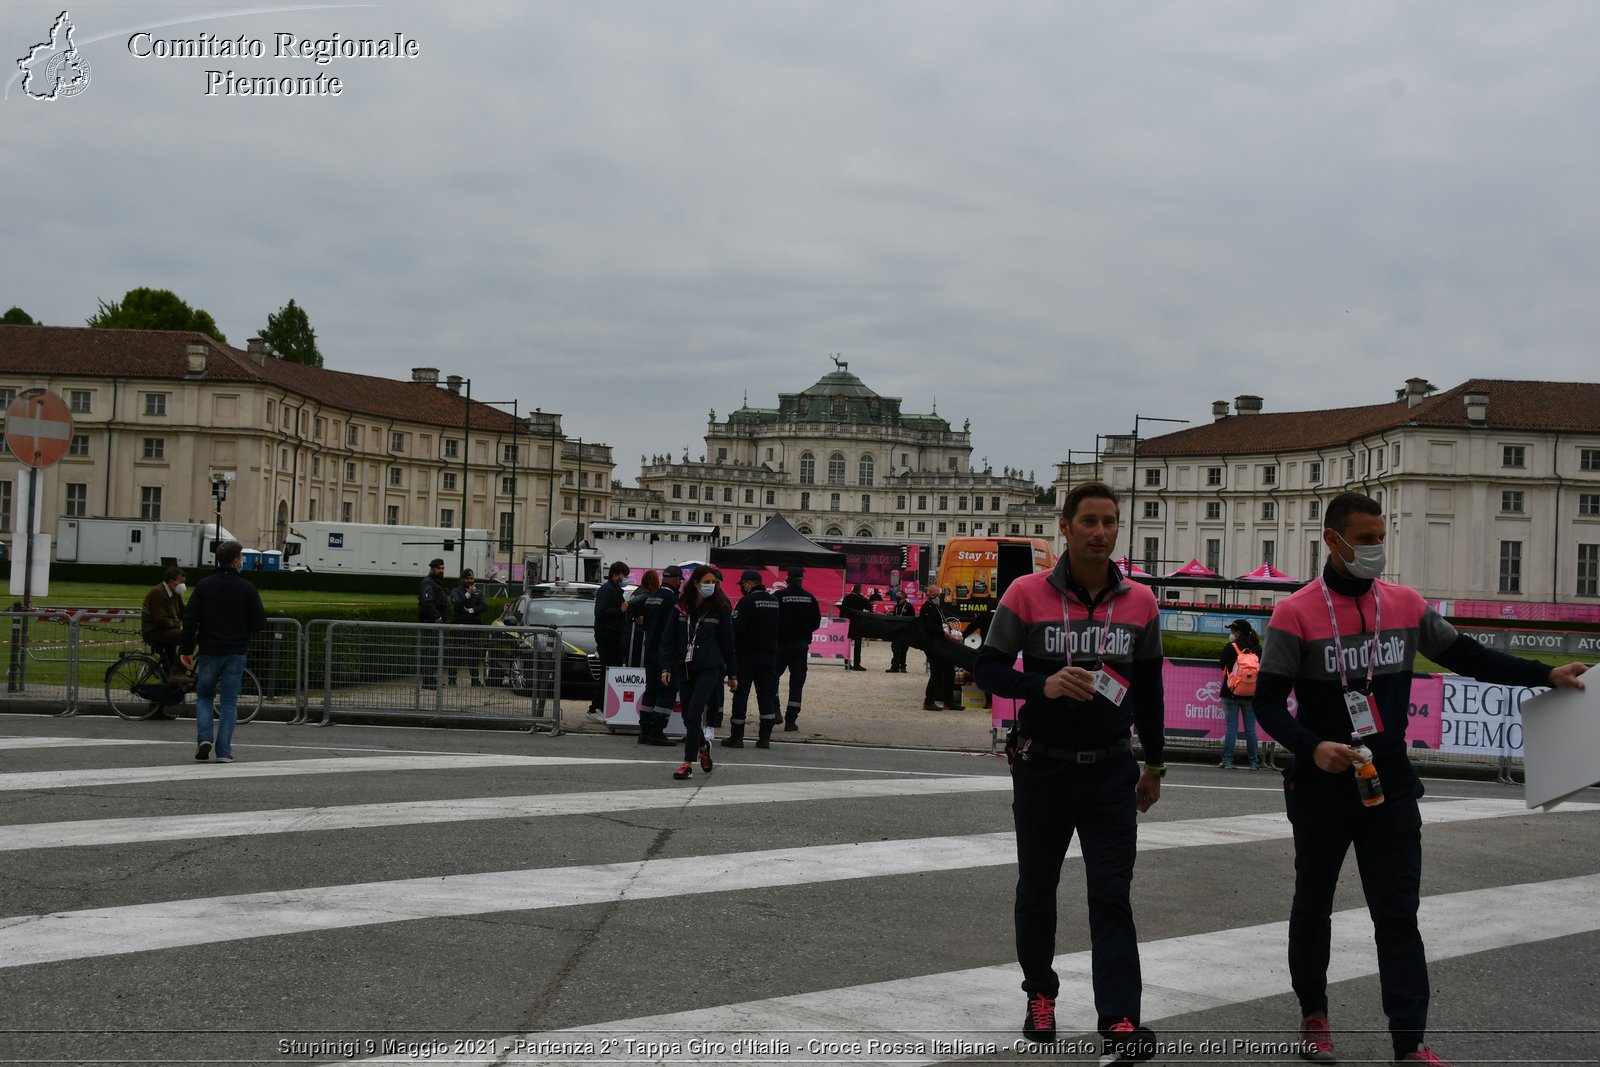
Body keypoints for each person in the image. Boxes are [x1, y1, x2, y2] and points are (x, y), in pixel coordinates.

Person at [1253, 491, 1589, 1067]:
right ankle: (1315, 1014)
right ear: (1332, 541)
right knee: (1313, 905)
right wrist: (1313, 749)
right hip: (1321, 788)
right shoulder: (1295, 612)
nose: (1375, 549)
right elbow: (1268, 706)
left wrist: (1544, 675)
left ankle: (1409, 1042)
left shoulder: (1406, 604)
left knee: (1398, 915)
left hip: (1390, 787)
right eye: (1364, 540)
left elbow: (1472, 657)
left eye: (1381, 537)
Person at [974, 482, 1165, 1066]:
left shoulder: (1141, 602)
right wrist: (1042, 684)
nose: (1101, 532)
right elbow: (987, 668)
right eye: (1089, 521)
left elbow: (1152, 689)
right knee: (1038, 891)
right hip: (1042, 768)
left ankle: (1120, 1017)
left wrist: (1154, 763)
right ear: (1065, 526)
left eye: (1110, 521)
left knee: (1112, 894)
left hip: (1111, 770)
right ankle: (1040, 995)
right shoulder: (1026, 593)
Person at [178, 541, 267, 764]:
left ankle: (204, 737)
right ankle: (224, 751)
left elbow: (190, 619)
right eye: (242, 559)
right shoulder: (247, 588)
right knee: (229, 701)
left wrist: (186, 649)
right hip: (236, 650)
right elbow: (258, 622)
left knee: (205, 696)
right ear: (235, 561)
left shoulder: (204, 585)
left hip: (209, 649)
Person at [657, 564, 736, 780]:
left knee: (694, 712)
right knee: (686, 715)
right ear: (695, 582)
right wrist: (665, 666)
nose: (711, 586)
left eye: (714, 583)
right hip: (685, 666)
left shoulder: (720, 607)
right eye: (707, 582)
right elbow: (667, 639)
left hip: (710, 666)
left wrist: (733, 674)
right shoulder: (680, 607)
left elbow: (728, 643)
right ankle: (702, 746)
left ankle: (686, 763)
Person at [726, 568, 781, 749]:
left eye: (742, 584)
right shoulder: (774, 601)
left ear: (749, 583)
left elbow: (736, 629)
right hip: (769, 656)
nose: (742, 587)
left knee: (740, 696)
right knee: (766, 696)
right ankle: (765, 738)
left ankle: (737, 737)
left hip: (746, 657)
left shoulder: (746, 602)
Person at [636, 564, 683, 746]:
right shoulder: (673, 600)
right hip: (666, 652)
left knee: (651, 689)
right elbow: (673, 629)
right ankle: (656, 731)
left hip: (650, 649)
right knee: (667, 691)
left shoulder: (652, 597)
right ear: (677, 580)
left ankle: (645, 731)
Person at [775, 565, 821, 731]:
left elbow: (772, 620)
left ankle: (775, 709)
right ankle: (791, 720)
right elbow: (816, 622)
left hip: (781, 645)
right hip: (800, 646)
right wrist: (803, 631)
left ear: (787, 579)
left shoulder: (778, 596)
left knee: (772, 678)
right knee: (797, 683)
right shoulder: (809, 598)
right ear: (802, 580)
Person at [590, 561, 632, 719]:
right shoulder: (606, 590)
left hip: (614, 637)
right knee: (607, 673)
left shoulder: (615, 590)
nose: (626, 578)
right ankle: (594, 708)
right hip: (608, 638)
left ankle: (600, 707)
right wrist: (619, 610)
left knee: (609, 673)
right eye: (624, 575)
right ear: (616, 575)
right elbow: (600, 613)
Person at [1218, 619, 1262, 769]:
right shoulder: (1257, 648)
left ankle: (1228, 761)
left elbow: (1222, 665)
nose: (1231, 633)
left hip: (1230, 692)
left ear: (1238, 632)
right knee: (1250, 728)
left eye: (1232, 630)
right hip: (1251, 694)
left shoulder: (1231, 647)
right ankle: (1254, 762)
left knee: (1231, 728)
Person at [919, 584, 959, 711]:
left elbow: (941, 623)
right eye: (935, 594)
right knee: (936, 673)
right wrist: (944, 634)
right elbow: (929, 626)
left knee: (950, 672)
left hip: (941, 644)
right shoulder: (926, 608)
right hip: (933, 645)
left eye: (938, 595)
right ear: (929, 595)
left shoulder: (937, 608)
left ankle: (949, 702)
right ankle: (928, 702)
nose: (937, 597)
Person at [141, 564, 186, 675]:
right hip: (154, 632)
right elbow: (161, 620)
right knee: (188, 637)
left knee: (170, 664)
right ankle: (179, 670)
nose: (183, 585)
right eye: (181, 582)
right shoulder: (158, 592)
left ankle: (172, 679)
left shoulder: (175, 593)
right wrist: (178, 626)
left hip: (166, 631)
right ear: (171, 581)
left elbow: (184, 611)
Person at [448, 569, 487, 687]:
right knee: (455, 653)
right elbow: (457, 605)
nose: (470, 581)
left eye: (471, 578)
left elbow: (484, 606)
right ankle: (452, 679)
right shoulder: (455, 591)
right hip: (459, 626)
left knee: (474, 654)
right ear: (462, 579)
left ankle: (475, 680)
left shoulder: (478, 592)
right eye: (467, 578)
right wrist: (468, 594)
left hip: (473, 626)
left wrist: (470, 610)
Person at [417, 557, 450, 688]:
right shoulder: (428, 583)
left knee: (435, 651)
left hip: (437, 624)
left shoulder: (437, 583)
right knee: (430, 652)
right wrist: (437, 617)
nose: (441, 571)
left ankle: (431, 679)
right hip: (431, 622)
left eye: (442, 568)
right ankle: (428, 681)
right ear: (432, 569)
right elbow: (427, 602)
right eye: (438, 568)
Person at [626, 570, 660, 666]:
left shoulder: (638, 590)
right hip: (638, 633)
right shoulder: (646, 594)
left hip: (632, 631)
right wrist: (638, 616)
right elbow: (633, 603)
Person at [840, 583, 872, 670]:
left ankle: (847, 663)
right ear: (859, 590)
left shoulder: (846, 598)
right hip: (858, 623)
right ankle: (857, 664)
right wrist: (864, 598)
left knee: (847, 644)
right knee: (857, 645)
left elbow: (842, 610)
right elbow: (869, 607)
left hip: (847, 623)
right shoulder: (861, 598)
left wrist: (841, 621)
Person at [885, 587, 915, 672]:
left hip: (905, 631)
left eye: (899, 596)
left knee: (904, 650)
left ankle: (903, 666)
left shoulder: (909, 606)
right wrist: (889, 615)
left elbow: (912, 618)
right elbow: (895, 617)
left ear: (904, 596)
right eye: (896, 596)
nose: (897, 598)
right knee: (895, 648)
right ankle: (894, 666)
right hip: (897, 631)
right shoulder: (896, 606)